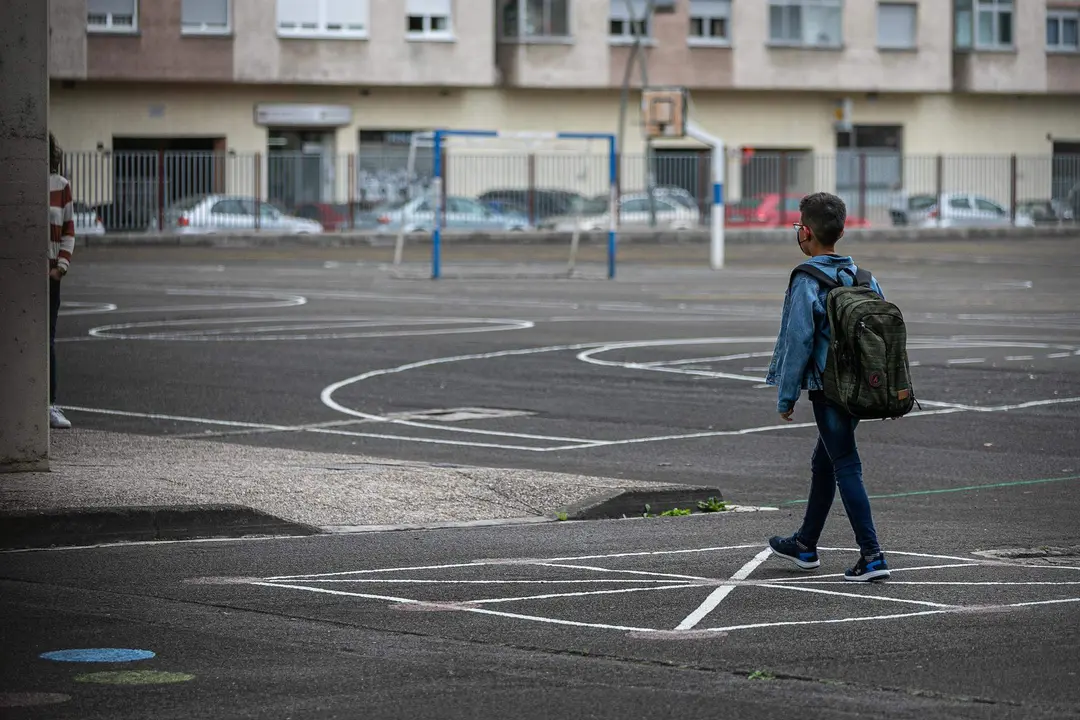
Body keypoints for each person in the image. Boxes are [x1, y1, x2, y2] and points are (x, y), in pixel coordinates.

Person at [764, 192, 890, 582]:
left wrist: (786, 396)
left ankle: (872, 555)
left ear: (806, 232)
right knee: (826, 462)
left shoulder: (807, 279)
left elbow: (798, 340)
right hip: (860, 390)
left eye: (799, 225)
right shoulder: (863, 277)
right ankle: (805, 544)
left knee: (846, 465)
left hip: (829, 390)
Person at [48, 132, 74, 430]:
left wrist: (61, 267)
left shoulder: (61, 186)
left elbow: (69, 229)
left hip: (51, 276)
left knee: (48, 339)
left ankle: (49, 404)